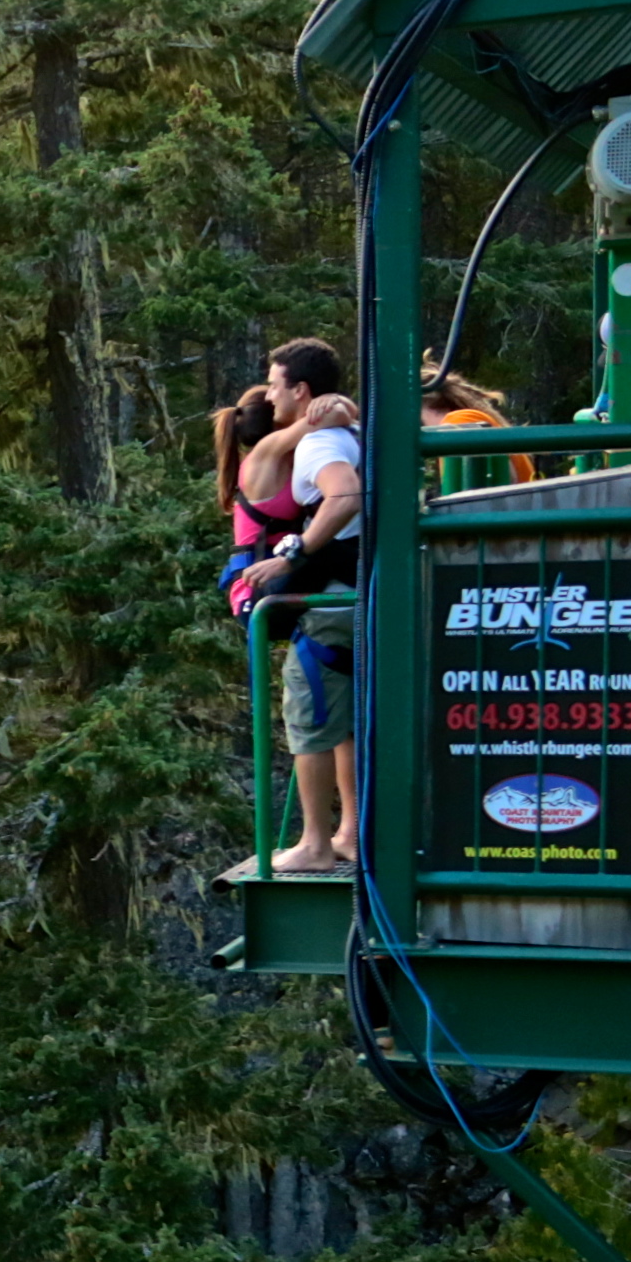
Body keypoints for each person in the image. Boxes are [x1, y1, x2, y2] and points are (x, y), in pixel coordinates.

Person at [236, 338, 364, 872]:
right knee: (346, 719)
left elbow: (344, 494)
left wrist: (295, 554)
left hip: (323, 595)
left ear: (300, 390)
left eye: (275, 383)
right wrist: (343, 411)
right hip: (351, 588)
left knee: (310, 711)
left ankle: (315, 842)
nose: (269, 395)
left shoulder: (316, 447)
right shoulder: (325, 440)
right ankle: (349, 833)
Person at [214, 385, 302, 615]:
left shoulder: (279, 459)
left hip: (270, 579)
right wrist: (331, 400)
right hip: (256, 592)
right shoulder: (265, 454)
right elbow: (325, 418)